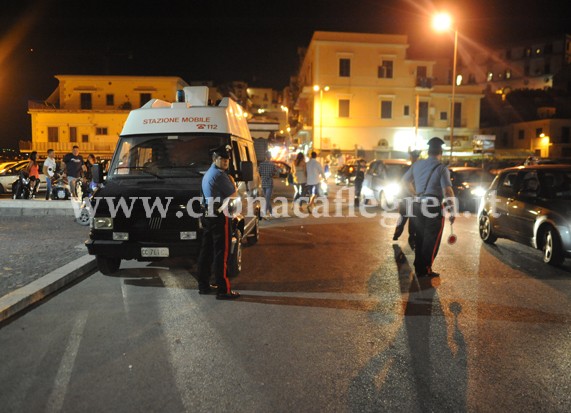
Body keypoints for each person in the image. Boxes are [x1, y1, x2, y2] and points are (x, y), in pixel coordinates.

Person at [402, 138, 455, 278]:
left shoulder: (417, 164)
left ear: (428, 151)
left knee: (419, 237)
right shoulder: (442, 168)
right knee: (431, 238)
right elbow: (447, 191)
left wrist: (414, 194)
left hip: (418, 204)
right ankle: (425, 268)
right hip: (433, 206)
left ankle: (419, 266)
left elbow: (404, 181)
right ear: (441, 152)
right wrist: (452, 209)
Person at [197, 144, 240, 300]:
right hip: (218, 215)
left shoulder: (208, 173)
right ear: (215, 159)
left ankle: (203, 285)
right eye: (222, 159)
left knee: (206, 251)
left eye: (227, 159)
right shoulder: (220, 175)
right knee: (222, 252)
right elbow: (234, 194)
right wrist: (232, 181)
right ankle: (223, 290)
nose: (226, 162)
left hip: (207, 213)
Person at [393, 150, 421, 248]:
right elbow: (400, 183)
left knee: (413, 220)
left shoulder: (420, 171)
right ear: (411, 158)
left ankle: (412, 239)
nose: (415, 159)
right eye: (414, 158)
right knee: (403, 217)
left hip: (415, 199)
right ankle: (397, 233)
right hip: (405, 198)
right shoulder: (405, 170)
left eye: (416, 158)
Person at [258, 152, 278, 219]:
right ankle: (265, 213)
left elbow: (259, 173)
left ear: (265, 156)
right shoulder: (272, 165)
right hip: (269, 183)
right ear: (270, 156)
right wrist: (271, 174)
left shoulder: (261, 164)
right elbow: (275, 172)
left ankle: (271, 212)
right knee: (267, 199)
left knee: (267, 198)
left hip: (263, 182)